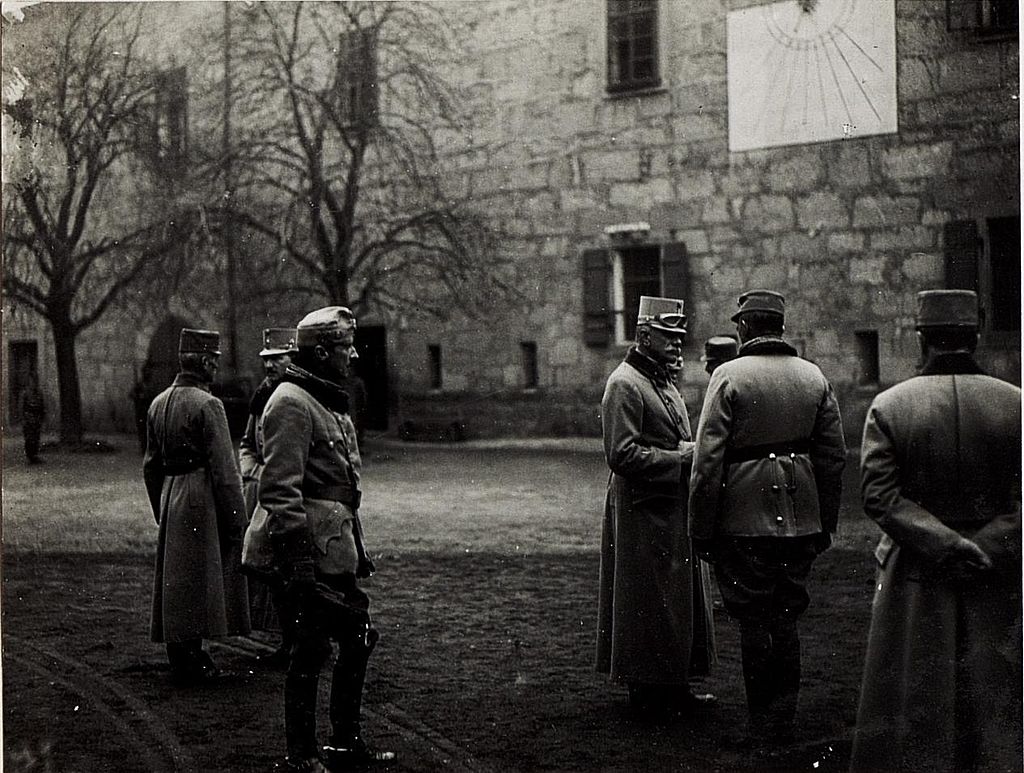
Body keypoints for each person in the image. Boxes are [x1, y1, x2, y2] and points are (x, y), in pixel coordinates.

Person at [850, 290, 1022, 772]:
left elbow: (879, 497)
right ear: (977, 336)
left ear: (921, 338)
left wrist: (944, 545)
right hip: (999, 567)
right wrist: (983, 545)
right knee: (996, 690)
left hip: (917, 569)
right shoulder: (1017, 404)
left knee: (914, 691)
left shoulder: (890, 405)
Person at [688, 290, 846, 747]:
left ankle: (762, 724)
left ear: (743, 328)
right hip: (801, 518)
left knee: (753, 620)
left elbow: (708, 463)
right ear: (778, 327)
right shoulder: (814, 377)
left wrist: (701, 528)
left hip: (742, 519)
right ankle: (784, 718)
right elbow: (833, 457)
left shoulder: (728, 375)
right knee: (786, 617)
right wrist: (824, 522)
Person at [259, 306, 395, 772]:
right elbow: (280, 489)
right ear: (321, 352)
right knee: (309, 650)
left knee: (357, 637)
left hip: (334, 547)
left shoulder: (322, 399)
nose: (353, 354)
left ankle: (343, 741)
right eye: (344, 347)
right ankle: (301, 755)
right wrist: (298, 563)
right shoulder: (291, 402)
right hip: (307, 553)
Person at [596, 295, 716, 717]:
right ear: (644, 335)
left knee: (675, 599)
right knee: (645, 598)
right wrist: (680, 458)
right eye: (668, 336)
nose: (677, 344)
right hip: (640, 510)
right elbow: (621, 454)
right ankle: (646, 690)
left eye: (680, 337)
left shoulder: (662, 381)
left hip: (668, 506)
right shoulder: (624, 384)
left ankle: (674, 684)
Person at [143, 328, 250, 686]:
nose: (217, 368)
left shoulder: (158, 403)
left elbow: (150, 465)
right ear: (204, 362)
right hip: (200, 495)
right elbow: (224, 469)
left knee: (178, 577)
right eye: (215, 362)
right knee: (201, 574)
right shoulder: (208, 405)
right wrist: (238, 519)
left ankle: (182, 651)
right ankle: (193, 655)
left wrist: (162, 508)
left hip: (171, 493)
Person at [239, 327, 299, 667]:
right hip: (266, 498)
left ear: (293, 359)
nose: (269, 366)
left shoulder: (301, 399)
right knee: (272, 573)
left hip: (295, 498)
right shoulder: (262, 398)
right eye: (266, 359)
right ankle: (286, 643)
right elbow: (248, 445)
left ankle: (306, 644)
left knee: (300, 573)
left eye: (277, 358)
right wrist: (258, 473)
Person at [21, 371, 45, 464]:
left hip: (37, 418)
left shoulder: (39, 393)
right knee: (29, 438)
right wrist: (23, 419)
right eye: (31, 381)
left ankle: (35, 455)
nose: (33, 383)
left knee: (36, 437)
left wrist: (42, 418)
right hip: (28, 418)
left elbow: (42, 406)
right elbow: (22, 407)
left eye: (35, 381)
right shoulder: (25, 393)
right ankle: (30, 456)